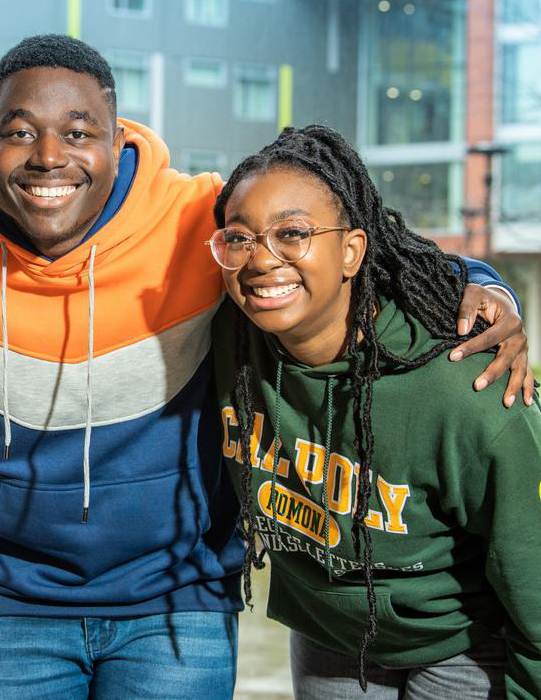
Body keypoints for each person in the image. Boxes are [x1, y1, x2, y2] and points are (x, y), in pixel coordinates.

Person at [0, 34, 533, 698]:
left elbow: (346, 237)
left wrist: (485, 284)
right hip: (14, 599)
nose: (49, 156)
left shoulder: (194, 218)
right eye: (19, 132)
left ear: (116, 138)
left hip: (179, 597)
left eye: (77, 131)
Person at [209, 124, 541, 698]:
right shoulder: (223, 342)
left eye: (293, 233)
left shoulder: (469, 388)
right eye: (239, 238)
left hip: (463, 641)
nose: (261, 259)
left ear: (352, 250)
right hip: (331, 631)